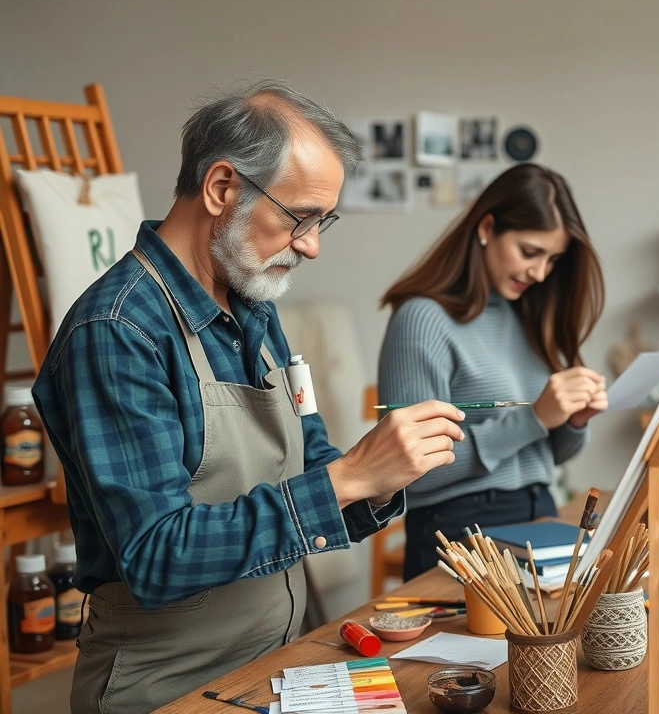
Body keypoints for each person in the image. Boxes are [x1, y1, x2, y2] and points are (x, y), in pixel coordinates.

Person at [32, 81, 466, 714]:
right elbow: (156, 555)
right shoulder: (119, 330)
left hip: (273, 664)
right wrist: (348, 478)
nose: (312, 245)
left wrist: (381, 477)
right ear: (221, 188)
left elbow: (309, 458)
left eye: (322, 222)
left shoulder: (254, 306)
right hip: (165, 685)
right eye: (299, 218)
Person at [378, 163, 607, 581]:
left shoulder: (531, 316)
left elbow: (548, 456)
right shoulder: (422, 319)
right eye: (530, 252)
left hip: (540, 516)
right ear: (486, 228)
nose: (540, 273)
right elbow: (410, 473)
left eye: (553, 260)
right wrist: (533, 418)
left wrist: (572, 421)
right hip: (460, 532)